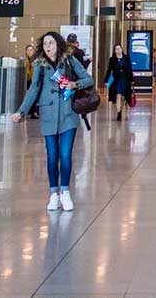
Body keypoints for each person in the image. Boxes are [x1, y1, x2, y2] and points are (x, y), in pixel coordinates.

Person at [13, 31, 94, 212]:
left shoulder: (69, 61)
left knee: (65, 155)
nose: (48, 47)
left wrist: (75, 85)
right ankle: (53, 194)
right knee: (51, 156)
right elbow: (33, 90)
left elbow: (89, 79)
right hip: (48, 115)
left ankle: (65, 192)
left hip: (68, 115)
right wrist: (22, 111)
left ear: (58, 44)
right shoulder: (39, 65)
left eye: (51, 43)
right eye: (45, 44)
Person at [103, 43, 133, 121]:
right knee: (118, 95)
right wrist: (106, 80)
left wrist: (132, 79)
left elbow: (130, 69)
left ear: (122, 49)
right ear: (114, 50)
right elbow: (109, 70)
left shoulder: (126, 58)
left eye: (119, 48)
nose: (118, 50)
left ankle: (121, 109)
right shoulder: (112, 59)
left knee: (123, 96)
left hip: (125, 79)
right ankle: (119, 113)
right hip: (116, 79)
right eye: (116, 49)